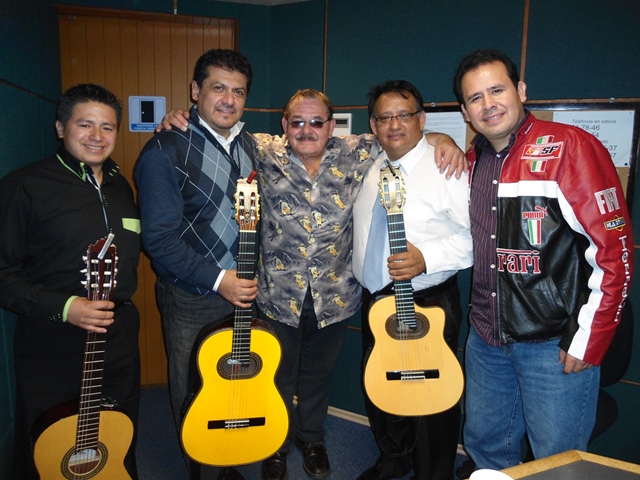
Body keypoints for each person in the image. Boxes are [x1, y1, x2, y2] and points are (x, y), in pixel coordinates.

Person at [162, 86, 464, 480]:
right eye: (297, 122)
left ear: (331, 126)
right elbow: (217, 128)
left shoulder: (358, 151)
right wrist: (179, 118)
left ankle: (312, 439)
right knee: (277, 375)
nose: (307, 130)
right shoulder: (261, 149)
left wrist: (442, 138)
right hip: (277, 295)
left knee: (318, 377)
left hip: (334, 297)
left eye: (317, 122)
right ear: (284, 125)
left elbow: (403, 133)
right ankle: (276, 444)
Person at [453, 49, 634, 471]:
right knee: (486, 448)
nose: (488, 104)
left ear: (520, 90)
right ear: (464, 112)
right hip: (486, 340)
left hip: (553, 346)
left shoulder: (571, 148)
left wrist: (588, 339)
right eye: (475, 97)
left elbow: (614, 254)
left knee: (557, 462)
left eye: (497, 90)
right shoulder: (472, 161)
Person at [0, 83, 141, 479]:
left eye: (107, 127)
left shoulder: (120, 185)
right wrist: (66, 307)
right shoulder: (25, 186)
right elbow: (3, 275)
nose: (97, 136)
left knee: (119, 430)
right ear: (61, 127)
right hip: (53, 340)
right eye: (85, 124)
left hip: (118, 334)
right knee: (49, 442)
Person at [134, 49, 257, 480]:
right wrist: (220, 280)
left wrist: (435, 139)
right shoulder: (164, 149)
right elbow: (159, 240)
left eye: (238, 91)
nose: (228, 99)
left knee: (235, 382)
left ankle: (227, 458)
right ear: (195, 91)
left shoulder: (250, 145)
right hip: (192, 296)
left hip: (244, 295)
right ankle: (201, 469)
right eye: (218, 88)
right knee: (194, 388)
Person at [351, 80, 473, 480]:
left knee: (430, 393)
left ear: (421, 119)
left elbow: (475, 238)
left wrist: (426, 259)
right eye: (384, 117)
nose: (394, 125)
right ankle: (394, 455)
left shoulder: (446, 167)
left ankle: (433, 473)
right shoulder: (371, 163)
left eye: (404, 115)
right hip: (375, 298)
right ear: (373, 125)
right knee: (382, 381)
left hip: (427, 300)